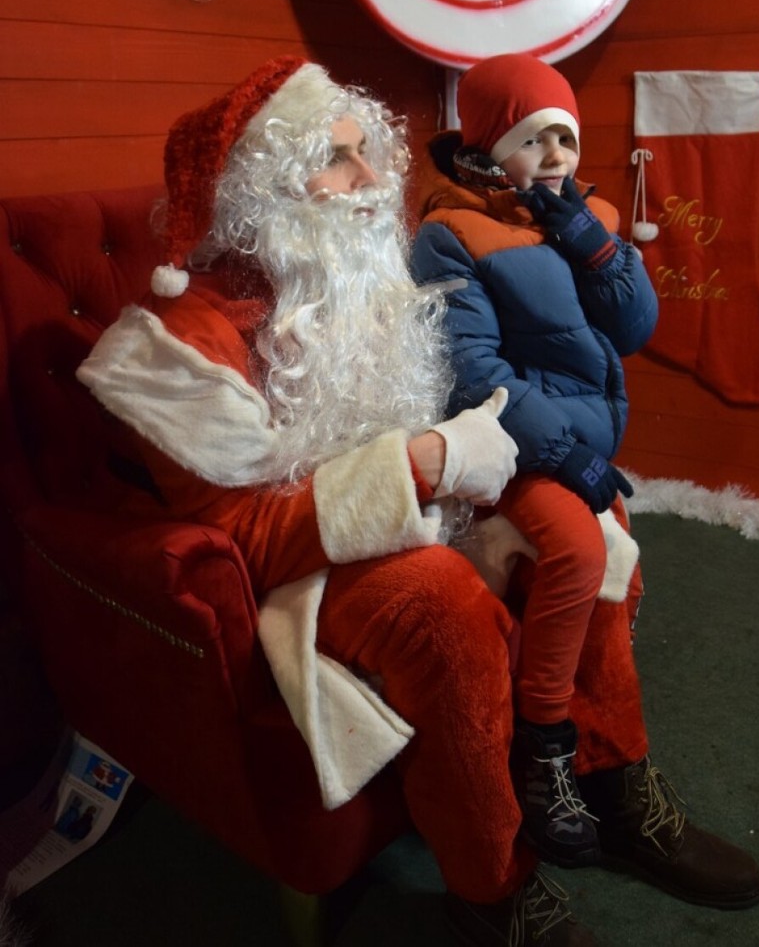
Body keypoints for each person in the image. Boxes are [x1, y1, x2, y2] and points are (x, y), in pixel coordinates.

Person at [76, 56, 598, 947]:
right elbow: (243, 531)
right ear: (261, 191)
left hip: (408, 506)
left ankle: (609, 773)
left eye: (368, 153)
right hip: (295, 568)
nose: (372, 180)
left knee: (584, 523)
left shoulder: (348, 270)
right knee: (439, 608)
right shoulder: (180, 343)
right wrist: (429, 465)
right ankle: (492, 888)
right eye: (338, 158)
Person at [411, 53, 759, 917]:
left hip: (588, 443)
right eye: (536, 138)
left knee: (619, 571)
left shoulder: (589, 215)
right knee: (575, 548)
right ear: (492, 149)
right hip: (511, 444)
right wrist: (565, 456)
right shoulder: (451, 232)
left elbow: (636, 326)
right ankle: (546, 751)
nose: (559, 153)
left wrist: (593, 243)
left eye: (567, 135)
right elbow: (472, 371)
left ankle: (614, 783)